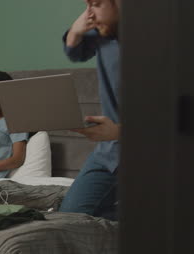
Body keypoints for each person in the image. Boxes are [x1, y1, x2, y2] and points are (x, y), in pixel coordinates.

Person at [58, 0, 121, 220]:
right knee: (68, 218)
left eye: (95, 4)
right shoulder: (103, 33)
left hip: (153, 153)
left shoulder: (165, 40)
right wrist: (75, 30)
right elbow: (75, 53)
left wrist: (119, 131)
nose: (89, 13)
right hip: (109, 152)